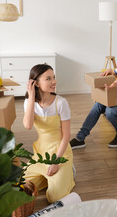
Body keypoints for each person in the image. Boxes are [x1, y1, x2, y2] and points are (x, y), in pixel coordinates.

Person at [23, 64, 75, 203]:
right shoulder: (29, 102)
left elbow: (66, 136)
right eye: (48, 78)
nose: (54, 82)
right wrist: (31, 97)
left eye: (54, 77)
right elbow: (27, 125)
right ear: (36, 83)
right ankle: (49, 178)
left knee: (54, 197)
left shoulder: (61, 103)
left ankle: (69, 172)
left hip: (60, 152)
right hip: (40, 152)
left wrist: (56, 162)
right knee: (22, 186)